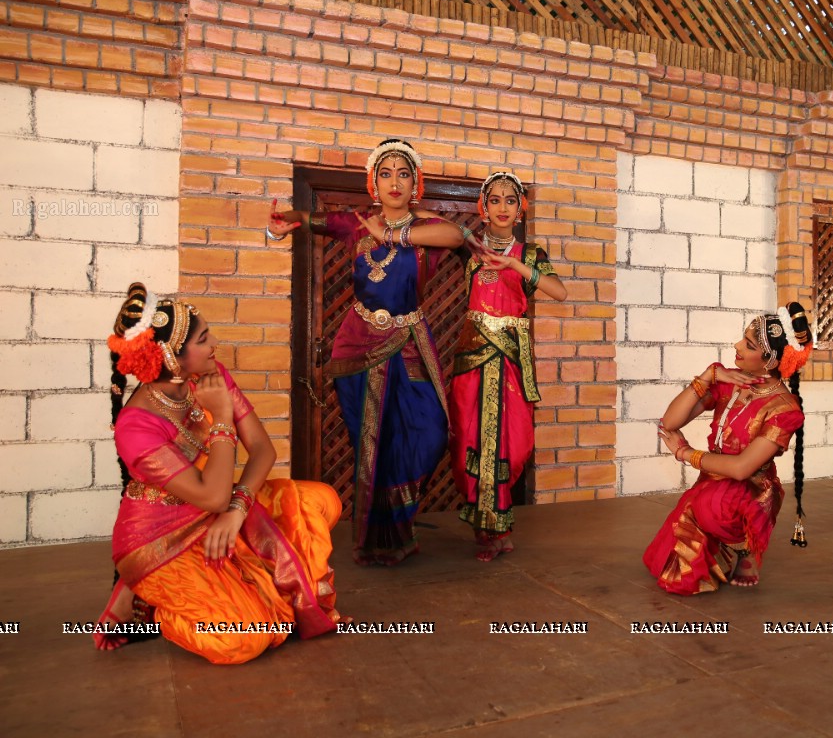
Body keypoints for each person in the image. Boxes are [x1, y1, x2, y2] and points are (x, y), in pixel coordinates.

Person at [97, 283, 343, 664]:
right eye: (203, 338)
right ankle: (148, 606)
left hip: (219, 510)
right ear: (169, 356)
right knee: (242, 638)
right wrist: (223, 417)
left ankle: (246, 582)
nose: (214, 344)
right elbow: (210, 495)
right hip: (159, 539)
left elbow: (263, 449)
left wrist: (237, 511)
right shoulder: (136, 425)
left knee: (322, 499)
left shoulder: (210, 377)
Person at [268, 139, 465, 565]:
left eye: (404, 173)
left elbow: (457, 234)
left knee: (429, 432)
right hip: (357, 346)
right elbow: (310, 219)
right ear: (374, 183)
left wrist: (393, 233)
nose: (395, 181)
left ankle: (400, 523)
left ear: (416, 182)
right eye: (386, 173)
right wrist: (282, 222)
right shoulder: (356, 224)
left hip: (408, 340)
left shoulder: (427, 224)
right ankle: (383, 540)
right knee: (373, 444)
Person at [645, 304, 813, 594]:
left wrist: (685, 453)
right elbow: (671, 421)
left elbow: (741, 469)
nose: (736, 346)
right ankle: (720, 548)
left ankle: (745, 547)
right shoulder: (730, 382)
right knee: (665, 561)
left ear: (770, 361)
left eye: (748, 345)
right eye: (742, 339)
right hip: (712, 480)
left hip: (750, 489)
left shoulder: (785, 409)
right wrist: (708, 375)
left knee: (711, 506)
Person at [447, 172, 567, 560]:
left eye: (510, 201)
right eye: (494, 200)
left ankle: (499, 520)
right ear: (483, 209)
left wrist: (513, 267)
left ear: (520, 210)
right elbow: (435, 231)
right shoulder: (471, 250)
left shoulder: (531, 255)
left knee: (512, 447)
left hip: (512, 359)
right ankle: (490, 529)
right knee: (472, 442)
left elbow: (559, 291)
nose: (502, 207)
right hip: (473, 358)